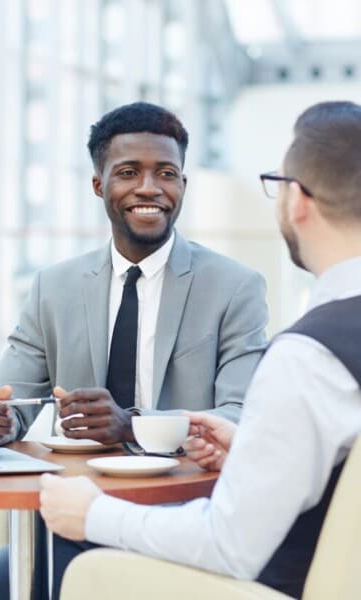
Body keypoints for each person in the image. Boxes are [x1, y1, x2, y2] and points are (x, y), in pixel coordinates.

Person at [0, 102, 268, 599]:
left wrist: (132, 423)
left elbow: (239, 417)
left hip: (183, 526)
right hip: (72, 525)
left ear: (182, 185)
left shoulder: (235, 287)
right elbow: (10, 401)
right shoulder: (55, 287)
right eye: (129, 172)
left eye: (166, 173)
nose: (149, 188)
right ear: (98, 185)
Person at [39, 100, 361, 599]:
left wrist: (92, 512)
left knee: (62, 559)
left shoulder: (308, 356)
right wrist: (250, 452)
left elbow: (230, 544)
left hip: (270, 582)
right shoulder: (330, 350)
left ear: (297, 200)